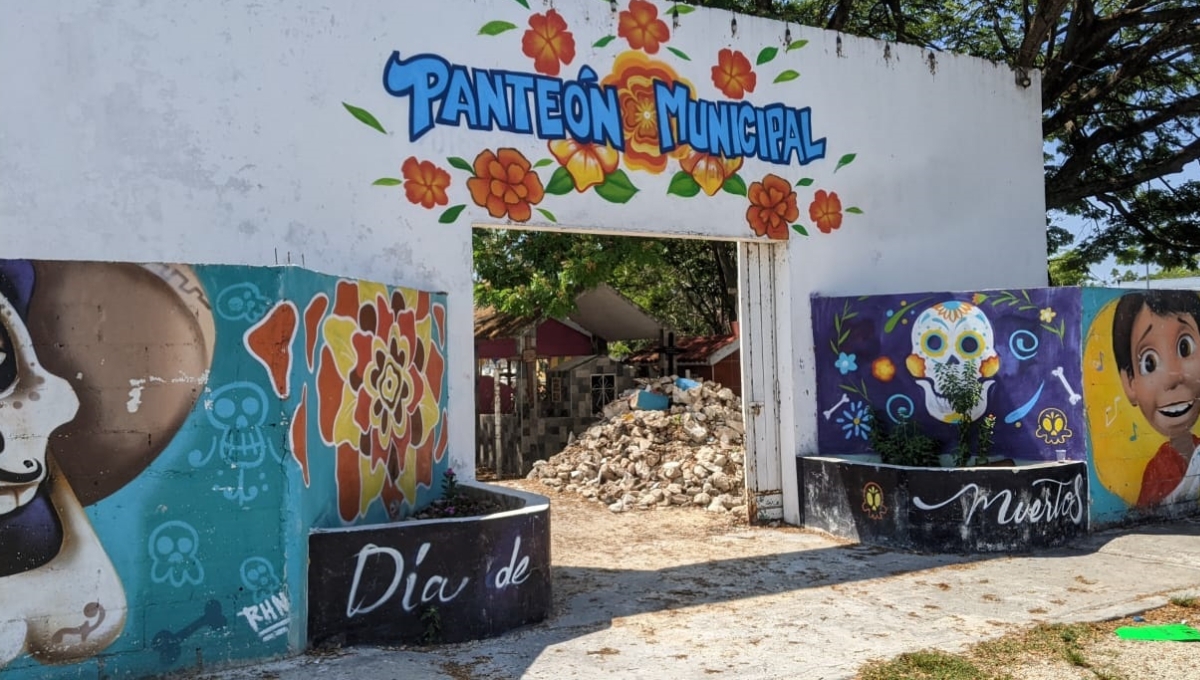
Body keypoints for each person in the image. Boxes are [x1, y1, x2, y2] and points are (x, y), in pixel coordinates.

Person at [1112, 290, 1200, 507]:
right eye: (1149, 363)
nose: (1174, 377)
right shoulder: (1158, 471)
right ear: (1129, 383)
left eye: (1185, 348)